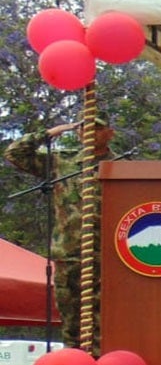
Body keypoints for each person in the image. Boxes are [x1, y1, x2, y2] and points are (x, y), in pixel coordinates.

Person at [5, 115, 114, 348]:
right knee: (72, 321)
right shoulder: (60, 162)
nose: (88, 133)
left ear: (109, 134)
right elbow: (14, 153)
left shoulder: (122, 167)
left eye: (96, 129)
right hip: (69, 252)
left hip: (109, 256)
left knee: (108, 320)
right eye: (83, 128)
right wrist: (49, 133)